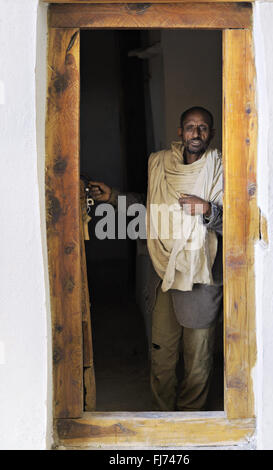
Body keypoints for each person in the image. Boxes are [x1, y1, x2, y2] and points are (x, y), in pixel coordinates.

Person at [89, 106, 223, 411]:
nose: (196, 133)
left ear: (211, 134)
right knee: (162, 353)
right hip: (165, 272)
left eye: (203, 128)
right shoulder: (162, 164)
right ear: (180, 132)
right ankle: (164, 418)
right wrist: (112, 196)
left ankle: (190, 420)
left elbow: (237, 222)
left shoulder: (219, 170)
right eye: (190, 127)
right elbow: (148, 211)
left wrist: (207, 209)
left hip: (202, 277)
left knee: (198, 357)